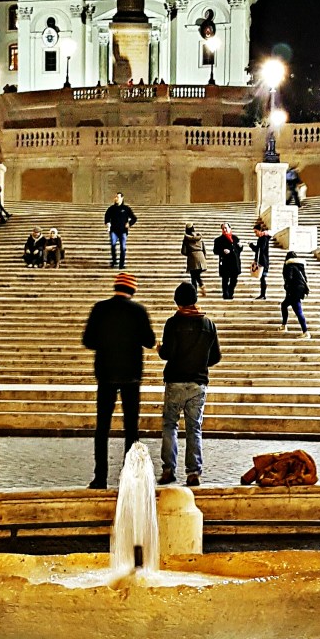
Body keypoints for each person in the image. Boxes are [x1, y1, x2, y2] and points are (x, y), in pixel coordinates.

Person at [82, 271, 156, 489]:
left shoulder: (100, 308)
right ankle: (130, 478)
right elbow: (150, 341)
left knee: (102, 427)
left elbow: (88, 340)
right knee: (131, 429)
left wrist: (106, 343)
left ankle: (100, 477)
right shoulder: (138, 311)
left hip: (105, 374)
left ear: (115, 287)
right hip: (131, 376)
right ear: (132, 290)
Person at [157, 281, 222, 488]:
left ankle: (168, 470)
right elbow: (215, 357)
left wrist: (160, 349)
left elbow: (167, 353)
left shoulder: (173, 323)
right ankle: (193, 472)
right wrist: (201, 361)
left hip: (175, 381)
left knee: (170, 425)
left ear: (178, 302)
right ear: (195, 300)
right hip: (198, 382)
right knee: (194, 428)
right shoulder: (208, 324)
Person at [281, 250, 311, 338]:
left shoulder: (289, 266)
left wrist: (287, 286)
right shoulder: (300, 266)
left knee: (297, 310)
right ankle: (284, 325)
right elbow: (305, 279)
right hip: (299, 291)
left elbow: (289, 278)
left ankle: (305, 331)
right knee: (285, 305)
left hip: (293, 291)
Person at [104, 192, 137, 270]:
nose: (116, 198)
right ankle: (114, 261)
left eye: (118, 197)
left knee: (123, 247)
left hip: (123, 231)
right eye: (115, 197)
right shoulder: (111, 208)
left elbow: (134, 218)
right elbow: (106, 217)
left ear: (122, 198)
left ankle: (121, 264)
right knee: (113, 244)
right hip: (114, 231)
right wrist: (108, 224)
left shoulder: (126, 209)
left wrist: (129, 223)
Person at [213, 222, 242, 300]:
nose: (224, 230)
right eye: (223, 228)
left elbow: (239, 250)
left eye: (226, 228)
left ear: (230, 228)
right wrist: (222, 251)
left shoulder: (235, 238)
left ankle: (230, 292)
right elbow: (215, 251)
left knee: (234, 280)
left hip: (235, 262)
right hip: (225, 263)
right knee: (225, 280)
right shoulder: (218, 240)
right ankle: (226, 295)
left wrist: (240, 246)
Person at [181, 223, 208, 297]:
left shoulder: (186, 239)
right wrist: (203, 257)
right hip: (201, 257)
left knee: (193, 277)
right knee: (197, 275)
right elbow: (204, 249)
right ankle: (201, 286)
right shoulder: (199, 237)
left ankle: (195, 292)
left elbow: (183, 251)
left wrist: (190, 254)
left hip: (192, 258)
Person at [249, 219, 271, 301]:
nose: (255, 234)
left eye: (256, 232)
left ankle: (263, 294)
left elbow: (259, 249)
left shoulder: (263, 238)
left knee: (263, 278)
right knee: (262, 278)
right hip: (263, 261)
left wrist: (251, 246)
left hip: (263, 262)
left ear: (260, 230)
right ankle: (262, 294)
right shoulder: (263, 238)